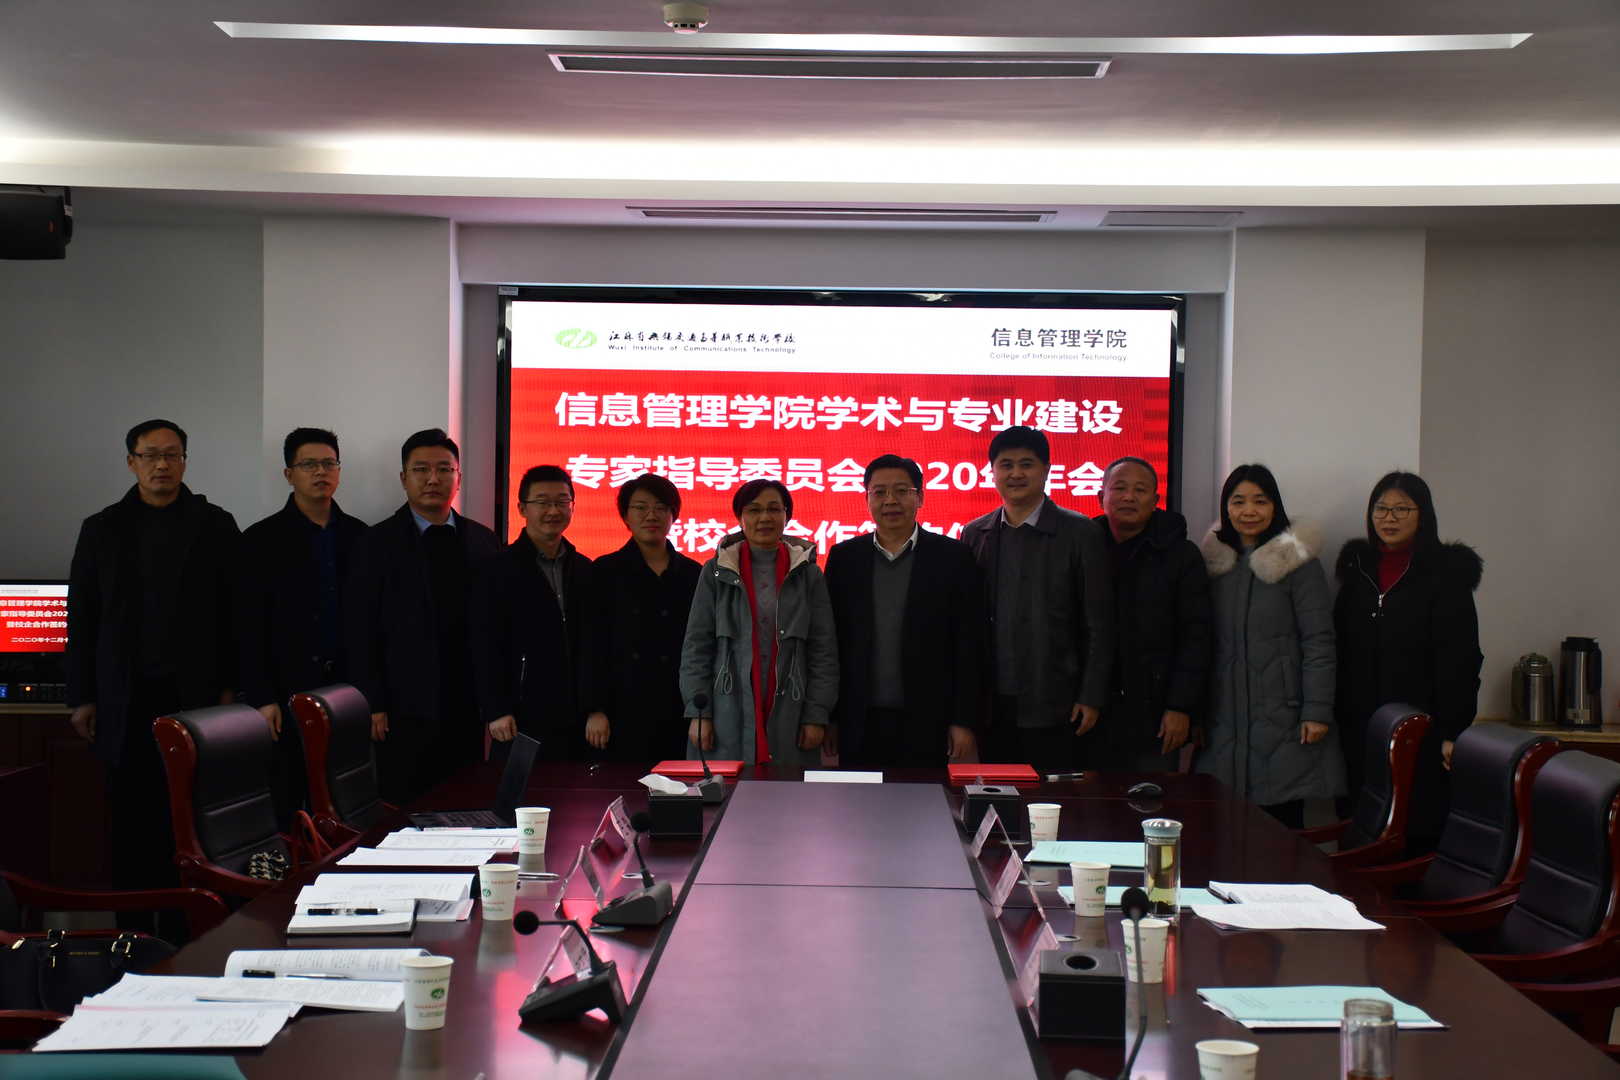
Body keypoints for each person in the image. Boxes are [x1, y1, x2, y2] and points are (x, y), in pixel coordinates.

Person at [66, 419, 240, 891]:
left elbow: (235, 612)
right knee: (130, 817)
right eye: (150, 455)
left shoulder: (215, 524)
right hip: (125, 695)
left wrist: (231, 687)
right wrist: (82, 696)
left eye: (171, 454)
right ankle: (135, 923)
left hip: (196, 694)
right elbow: (82, 615)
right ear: (132, 462)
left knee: (194, 814)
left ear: (184, 461)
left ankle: (196, 916)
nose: (162, 464)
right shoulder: (102, 529)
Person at [345, 428, 499, 803]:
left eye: (444, 469)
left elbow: (496, 629)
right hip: (401, 707)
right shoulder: (375, 543)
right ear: (403, 478)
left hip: (467, 704)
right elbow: (359, 629)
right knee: (405, 807)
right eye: (421, 470)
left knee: (466, 803)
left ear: (459, 477)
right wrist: (373, 702)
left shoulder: (484, 541)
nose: (433, 479)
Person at [1334, 471, 1482, 853]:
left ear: (1423, 515)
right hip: (1359, 726)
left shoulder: (1446, 574)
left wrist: (1453, 730)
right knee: (1359, 825)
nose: (1389, 518)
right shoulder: (1357, 570)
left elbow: (1462, 659)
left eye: (1402, 509)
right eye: (1381, 508)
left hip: (1423, 729)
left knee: (1415, 826)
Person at [960, 425, 1114, 772]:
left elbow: (1099, 624)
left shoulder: (1080, 533)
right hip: (993, 703)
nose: (1016, 474)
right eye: (1006, 465)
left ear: (1046, 470)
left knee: (1053, 797)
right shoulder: (975, 533)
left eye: (1026, 464)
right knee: (999, 794)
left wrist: (1091, 695)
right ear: (992, 472)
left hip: (1057, 700)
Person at [1197, 464, 1342, 827]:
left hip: (1285, 717)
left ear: (1275, 506)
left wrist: (1316, 710)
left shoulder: (1298, 563)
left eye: (1260, 501)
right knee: (1222, 829)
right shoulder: (1213, 565)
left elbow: (1319, 641)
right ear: (1226, 508)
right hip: (1223, 718)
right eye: (1238, 501)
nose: (1249, 511)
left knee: (1281, 830)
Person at [236, 427, 367, 826]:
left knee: (347, 800)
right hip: (284, 690)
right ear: (289, 474)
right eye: (309, 464)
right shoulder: (260, 540)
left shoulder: (361, 537)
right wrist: (261, 696)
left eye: (328, 463)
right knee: (289, 801)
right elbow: (248, 626)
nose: (320, 472)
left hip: (347, 690)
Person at [824, 454, 987, 768]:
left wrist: (963, 719)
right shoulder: (845, 558)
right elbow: (831, 643)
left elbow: (969, 644)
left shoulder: (953, 558)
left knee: (925, 799)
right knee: (858, 798)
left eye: (902, 491)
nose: (890, 500)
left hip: (929, 718)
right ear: (867, 498)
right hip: (858, 720)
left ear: (920, 497)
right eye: (879, 492)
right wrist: (829, 717)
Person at [679, 478, 838, 770]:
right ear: (740, 517)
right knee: (724, 794)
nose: (765, 517)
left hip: (791, 709)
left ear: (787, 516)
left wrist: (816, 715)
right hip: (726, 709)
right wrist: (699, 714)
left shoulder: (808, 575)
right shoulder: (716, 572)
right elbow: (697, 647)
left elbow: (823, 651)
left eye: (774, 509)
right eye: (754, 510)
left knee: (787, 794)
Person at [470, 465, 600, 760]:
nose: (553, 510)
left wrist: (596, 707)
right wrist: (496, 708)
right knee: (521, 788)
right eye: (542, 502)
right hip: (519, 714)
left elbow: (595, 644)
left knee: (575, 788)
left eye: (562, 501)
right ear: (522, 508)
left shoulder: (585, 569)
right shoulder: (496, 570)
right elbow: (484, 644)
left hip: (576, 716)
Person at [1091, 456, 1212, 772]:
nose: (1129, 497)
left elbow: (1196, 637)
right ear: (1101, 496)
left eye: (1140, 490)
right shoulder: (1084, 548)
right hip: (1091, 712)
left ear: (1156, 501)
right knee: (1088, 800)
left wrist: (1181, 707)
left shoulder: (1181, 555)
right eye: (1119, 488)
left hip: (1156, 715)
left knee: (1152, 797)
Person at [588, 474, 702, 761]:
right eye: (640, 507)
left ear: (673, 515)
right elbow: (591, 645)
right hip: (623, 708)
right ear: (626, 516)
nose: (651, 515)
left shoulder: (694, 573)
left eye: (661, 507)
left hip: (679, 709)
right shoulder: (605, 571)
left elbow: (704, 647)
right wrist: (595, 709)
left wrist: (702, 711)